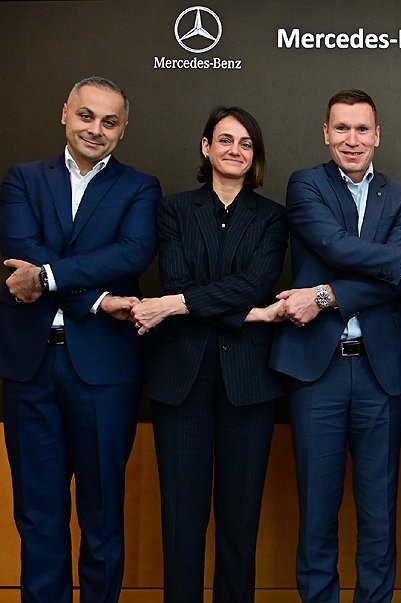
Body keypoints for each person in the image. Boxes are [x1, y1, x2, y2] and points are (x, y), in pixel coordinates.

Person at [269, 89, 401, 603]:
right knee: (317, 512)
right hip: (316, 372)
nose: (352, 140)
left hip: (380, 373)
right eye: (341, 129)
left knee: (378, 514)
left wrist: (326, 293)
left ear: (378, 135)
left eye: (362, 129)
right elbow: (332, 244)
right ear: (326, 133)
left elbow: (390, 282)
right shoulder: (305, 184)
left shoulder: (400, 196)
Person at [1, 76, 160, 603]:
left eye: (109, 121)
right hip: (30, 370)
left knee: (102, 515)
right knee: (38, 516)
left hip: (105, 373)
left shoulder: (140, 187)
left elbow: (131, 254)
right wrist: (93, 298)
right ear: (65, 114)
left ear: (123, 129)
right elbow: (19, 252)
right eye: (87, 116)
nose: (96, 129)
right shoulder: (23, 179)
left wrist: (46, 278)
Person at [129, 106, 287, 603]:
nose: (234, 150)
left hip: (248, 386)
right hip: (182, 381)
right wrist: (246, 314)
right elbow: (178, 279)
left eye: (245, 143)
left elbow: (255, 285)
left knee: (240, 523)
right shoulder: (174, 210)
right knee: (181, 520)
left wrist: (177, 306)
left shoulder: (272, 217)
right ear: (206, 147)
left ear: (255, 155)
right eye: (225, 140)